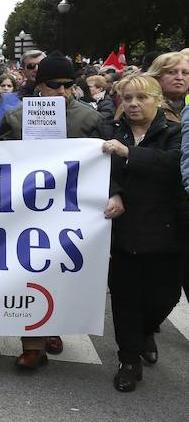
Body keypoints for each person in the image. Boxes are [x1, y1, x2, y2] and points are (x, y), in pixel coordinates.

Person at [0, 52, 103, 368]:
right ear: (39, 86)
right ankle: (33, 344)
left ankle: (54, 326)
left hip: (73, 211)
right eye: (55, 85)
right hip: (28, 209)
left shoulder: (89, 119)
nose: (62, 91)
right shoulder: (16, 117)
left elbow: (106, 165)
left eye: (69, 85)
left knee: (62, 272)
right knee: (28, 272)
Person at [99, 74, 184, 392]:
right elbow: (96, 169)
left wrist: (129, 153)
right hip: (123, 232)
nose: (133, 104)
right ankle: (129, 359)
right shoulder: (108, 130)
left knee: (166, 296)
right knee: (125, 299)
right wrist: (114, 191)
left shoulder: (175, 132)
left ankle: (148, 329)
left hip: (165, 230)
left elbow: (173, 165)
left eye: (141, 98)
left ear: (157, 100)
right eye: (127, 98)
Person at [147, 52, 189, 123]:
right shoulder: (144, 105)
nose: (179, 77)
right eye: (171, 72)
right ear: (157, 76)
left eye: (185, 73)